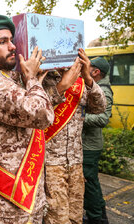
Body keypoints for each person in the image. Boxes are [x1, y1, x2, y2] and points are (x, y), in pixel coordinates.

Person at [0, 13, 68, 224]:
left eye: (11, 40)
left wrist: (44, 74)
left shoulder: (8, 79)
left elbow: (41, 100)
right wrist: (31, 78)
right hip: (9, 203)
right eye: (2, 42)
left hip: (29, 196)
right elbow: (41, 115)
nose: (12, 46)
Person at [43, 49, 107, 224]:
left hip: (76, 160)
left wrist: (88, 78)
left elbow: (100, 107)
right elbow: (35, 110)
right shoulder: (43, 78)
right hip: (51, 162)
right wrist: (61, 86)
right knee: (57, 217)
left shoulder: (81, 82)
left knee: (76, 215)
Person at [82, 57, 112, 224]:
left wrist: (79, 118)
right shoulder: (95, 85)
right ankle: (100, 216)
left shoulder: (104, 90)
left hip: (90, 146)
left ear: (95, 72)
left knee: (89, 184)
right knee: (92, 181)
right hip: (88, 144)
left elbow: (103, 119)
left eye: (89, 67)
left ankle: (95, 218)